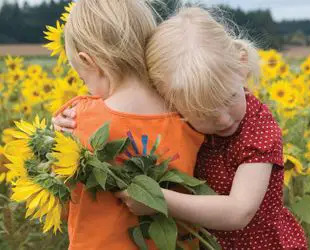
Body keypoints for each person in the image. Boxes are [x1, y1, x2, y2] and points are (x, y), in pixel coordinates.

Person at [54, 6, 308, 250]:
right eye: (204, 112)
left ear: (241, 68)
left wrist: (157, 199)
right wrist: (65, 125)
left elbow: (240, 211)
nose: (221, 119)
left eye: (229, 98)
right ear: (170, 100)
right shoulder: (176, 113)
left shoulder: (257, 127)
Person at [55, 1, 204, 249]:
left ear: (89, 61)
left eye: (84, 79)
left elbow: (61, 197)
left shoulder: (76, 119)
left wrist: (54, 139)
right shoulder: (191, 116)